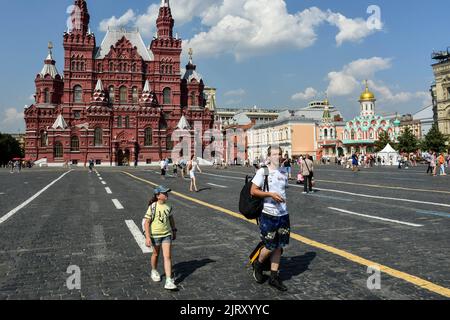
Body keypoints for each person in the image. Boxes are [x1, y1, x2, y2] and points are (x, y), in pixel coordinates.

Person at [250, 146, 290, 292]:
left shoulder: (284, 171)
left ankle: (274, 277)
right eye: (274, 154)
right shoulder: (263, 171)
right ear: (268, 156)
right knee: (270, 245)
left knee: (279, 246)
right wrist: (270, 195)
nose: (277, 157)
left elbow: (283, 190)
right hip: (268, 214)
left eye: (279, 154)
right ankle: (258, 265)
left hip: (283, 214)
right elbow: (253, 191)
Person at [144, 186, 178, 291]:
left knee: (167, 256)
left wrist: (174, 230)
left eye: (167, 193)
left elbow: (171, 218)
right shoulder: (152, 207)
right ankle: (154, 270)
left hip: (166, 234)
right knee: (155, 254)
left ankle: (168, 280)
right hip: (155, 236)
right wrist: (147, 237)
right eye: (164, 193)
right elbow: (147, 222)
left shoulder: (169, 206)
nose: (167, 195)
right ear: (158, 196)